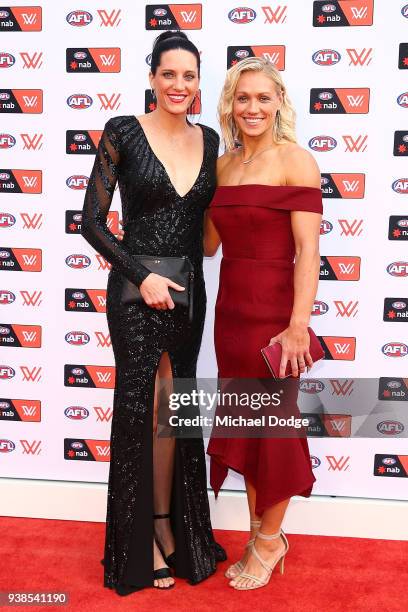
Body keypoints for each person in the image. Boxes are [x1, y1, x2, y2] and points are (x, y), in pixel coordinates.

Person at [81, 31, 225, 595]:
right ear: (152, 77)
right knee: (141, 414)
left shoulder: (210, 141)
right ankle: (137, 546)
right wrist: (142, 276)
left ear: (197, 83)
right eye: (169, 74)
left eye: (189, 77)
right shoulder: (123, 132)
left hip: (190, 295)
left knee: (176, 412)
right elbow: (90, 220)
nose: (179, 86)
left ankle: (172, 530)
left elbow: (209, 231)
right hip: (136, 297)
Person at [204, 57, 323, 591]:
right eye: (242, 98)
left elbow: (308, 252)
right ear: (230, 104)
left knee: (272, 430)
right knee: (247, 427)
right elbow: (208, 244)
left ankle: (272, 541)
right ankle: (258, 533)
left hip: (275, 320)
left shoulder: (296, 161)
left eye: (262, 98)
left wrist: (299, 326)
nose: (252, 108)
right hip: (230, 313)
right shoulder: (223, 167)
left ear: (279, 103)